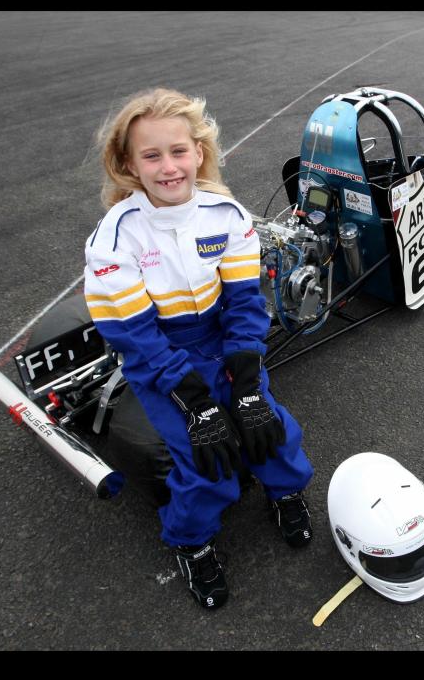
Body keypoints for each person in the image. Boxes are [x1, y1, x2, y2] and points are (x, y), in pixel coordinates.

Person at [83, 88, 314, 610]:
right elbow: (135, 335)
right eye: (151, 155)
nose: (168, 167)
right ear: (127, 164)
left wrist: (249, 384)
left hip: (219, 342)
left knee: (269, 427)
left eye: (178, 151)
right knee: (202, 457)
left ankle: (286, 492)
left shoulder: (226, 216)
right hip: (159, 358)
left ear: (200, 151)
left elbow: (244, 305)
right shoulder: (115, 238)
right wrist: (197, 402)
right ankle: (192, 542)